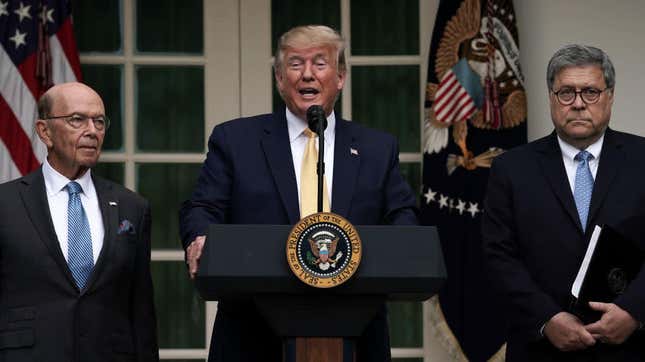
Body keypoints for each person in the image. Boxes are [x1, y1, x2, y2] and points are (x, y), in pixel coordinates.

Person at [179, 25, 418, 362]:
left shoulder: (376, 148)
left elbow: (402, 215)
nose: (307, 74)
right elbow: (202, 206)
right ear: (279, 78)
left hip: (356, 334)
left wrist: (402, 248)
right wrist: (199, 235)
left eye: (320, 63)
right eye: (295, 64)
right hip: (251, 336)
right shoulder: (236, 141)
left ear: (341, 77)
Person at [482, 44, 645, 361]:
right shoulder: (511, 169)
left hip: (631, 348)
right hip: (540, 348)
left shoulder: (643, 160)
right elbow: (498, 256)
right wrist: (547, 319)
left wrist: (634, 311)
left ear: (610, 96)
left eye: (591, 92)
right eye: (566, 93)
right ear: (551, 98)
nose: (579, 104)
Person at [0, 82, 159, 361]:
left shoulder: (132, 207)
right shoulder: (5, 203)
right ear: (44, 131)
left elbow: (141, 310)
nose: (92, 131)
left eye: (99, 121)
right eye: (77, 119)